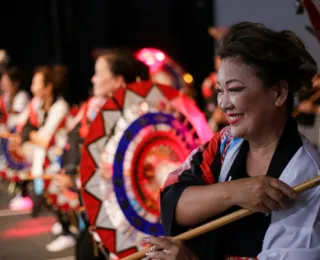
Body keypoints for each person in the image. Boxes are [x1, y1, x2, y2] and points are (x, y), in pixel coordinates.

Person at [143, 22, 320, 260]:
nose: (224, 104)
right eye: (219, 91)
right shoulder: (225, 144)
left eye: (234, 90)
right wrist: (234, 192)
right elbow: (174, 202)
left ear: (279, 92)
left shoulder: (306, 176)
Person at [53, 48, 150, 257]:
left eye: (98, 72)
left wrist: (79, 182)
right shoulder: (107, 113)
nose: (93, 79)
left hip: (126, 218)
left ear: (118, 81)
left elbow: (129, 174)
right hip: (102, 212)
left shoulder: (136, 117)